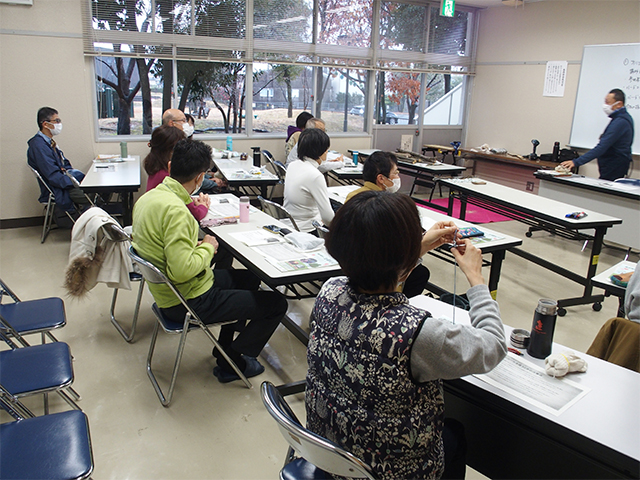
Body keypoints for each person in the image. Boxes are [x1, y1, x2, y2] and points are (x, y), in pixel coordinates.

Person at [305, 190, 507, 480]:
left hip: (330, 452)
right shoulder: (418, 334)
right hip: (386, 472)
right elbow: (493, 346)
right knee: (454, 435)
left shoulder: (329, 289)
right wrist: (476, 279)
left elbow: (371, 268)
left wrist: (417, 248)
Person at [132, 139, 287, 383]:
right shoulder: (177, 211)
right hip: (187, 299)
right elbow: (182, 271)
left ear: (171, 166)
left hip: (171, 292)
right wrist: (207, 247)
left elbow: (160, 248)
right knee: (277, 303)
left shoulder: (148, 199)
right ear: (200, 177)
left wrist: (195, 247)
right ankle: (231, 360)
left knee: (249, 278)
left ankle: (225, 347)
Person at [345, 151, 434, 298]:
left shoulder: (353, 196)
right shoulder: (388, 206)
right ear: (381, 178)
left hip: (353, 263)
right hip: (376, 269)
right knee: (421, 273)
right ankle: (397, 303)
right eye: (396, 173)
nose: (398, 178)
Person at [561, 89, 634, 181]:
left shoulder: (620, 122)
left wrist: (576, 162)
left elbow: (602, 147)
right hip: (612, 165)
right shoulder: (620, 119)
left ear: (619, 104)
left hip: (614, 167)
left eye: (608, 102)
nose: (605, 105)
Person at [143, 125, 212, 222]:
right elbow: (196, 214)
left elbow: (181, 197)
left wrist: (192, 201)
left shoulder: (156, 167)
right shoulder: (167, 177)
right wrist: (203, 206)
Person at [27, 107, 89, 214]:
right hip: (59, 189)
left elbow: (65, 164)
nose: (59, 124)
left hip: (64, 184)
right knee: (96, 192)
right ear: (45, 124)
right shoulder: (39, 147)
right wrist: (76, 183)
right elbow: (53, 176)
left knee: (98, 189)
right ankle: (89, 220)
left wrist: (76, 178)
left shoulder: (49, 143)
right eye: (57, 121)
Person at [283, 128, 335, 233]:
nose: (327, 152)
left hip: (288, 223)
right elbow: (329, 219)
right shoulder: (315, 176)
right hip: (308, 229)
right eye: (326, 149)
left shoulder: (293, 165)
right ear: (320, 151)